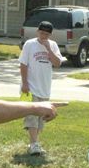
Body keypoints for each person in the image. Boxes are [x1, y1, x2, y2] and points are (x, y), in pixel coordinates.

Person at [19, 20, 63, 156]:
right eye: (41, 32)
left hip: (45, 87)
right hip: (30, 87)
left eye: (46, 34)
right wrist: (24, 83)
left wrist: (48, 48)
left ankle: (34, 142)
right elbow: (23, 64)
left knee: (41, 117)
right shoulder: (29, 44)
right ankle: (33, 144)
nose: (43, 36)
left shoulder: (53, 45)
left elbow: (57, 64)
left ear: (50, 34)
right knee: (31, 115)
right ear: (37, 31)